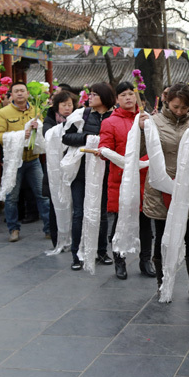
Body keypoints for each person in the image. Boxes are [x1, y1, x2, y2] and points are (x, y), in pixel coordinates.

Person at [142, 82, 189, 298]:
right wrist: (140, 130)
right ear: (167, 101)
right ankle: (162, 282)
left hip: (188, 187)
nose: (180, 111)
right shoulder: (153, 122)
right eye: (176, 106)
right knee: (161, 237)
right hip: (160, 188)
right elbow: (141, 149)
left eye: (184, 108)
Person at [99, 81, 151, 280]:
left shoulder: (146, 118)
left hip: (145, 177)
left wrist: (143, 163)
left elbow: (154, 146)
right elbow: (106, 149)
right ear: (117, 99)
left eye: (131, 93)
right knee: (120, 222)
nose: (128, 98)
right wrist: (104, 153)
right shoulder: (110, 122)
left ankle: (145, 260)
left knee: (146, 222)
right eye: (123, 95)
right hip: (121, 179)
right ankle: (119, 261)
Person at [62, 82, 116, 270]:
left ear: (104, 97)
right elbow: (66, 137)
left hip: (104, 169)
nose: (90, 97)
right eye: (90, 94)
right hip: (81, 169)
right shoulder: (81, 114)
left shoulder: (114, 116)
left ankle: (101, 251)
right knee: (79, 212)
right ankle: (77, 253)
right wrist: (88, 139)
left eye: (94, 94)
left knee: (101, 213)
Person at [0, 82, 51, 242]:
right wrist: (20, 135)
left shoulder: (36, 110)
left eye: (22, 91)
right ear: (11, 94)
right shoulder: (3, 113)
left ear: (27, 93)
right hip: (13, 162)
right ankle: (13, 229)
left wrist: (38, 128)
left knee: (43, 195)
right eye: (16, 91)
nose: (19, 94)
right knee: (12, 198)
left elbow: (45, 131)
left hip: (33, 160)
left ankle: (49, 228)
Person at [42, 90, 76, 251]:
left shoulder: (77, 119)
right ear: (57, 106)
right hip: (55, 170)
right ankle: (58, 239)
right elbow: (48, 135)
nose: (67, 108)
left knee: (74, 205)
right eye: (64, 105)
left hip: (72, 168)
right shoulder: (49, 120)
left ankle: (73, 239)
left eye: (70, 105)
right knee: (55, 204)